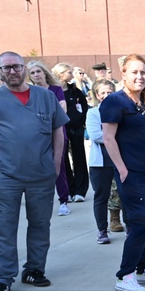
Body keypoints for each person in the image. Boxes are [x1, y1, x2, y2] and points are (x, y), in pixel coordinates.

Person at [0, 51, 68, 291]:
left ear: (24, 68)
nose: (12, 72)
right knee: (3, 228)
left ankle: (34, 269)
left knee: (40, 224)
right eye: (6, 68)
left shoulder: (46, 97)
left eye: (17, 67)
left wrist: (56, 164)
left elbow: (58, 131)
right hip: (6, 176)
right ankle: (3, 278)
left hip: (41, 174)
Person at [100, 54, 145, 291]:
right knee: (140, 224)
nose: (140, 77)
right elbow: (108, 138)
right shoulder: (114, 101)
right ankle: (125, 275)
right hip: (133, 174)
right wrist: (121, 169)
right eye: (134, 72)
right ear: (124, 74)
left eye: (143, 72)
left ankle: (144, 268)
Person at [28, 60, 72, 215]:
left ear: (44, 73)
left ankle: (63, 201)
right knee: (39, 167)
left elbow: (62, 110)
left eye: (38, 71)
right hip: (38, 135)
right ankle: (42, 200)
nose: (36, 75)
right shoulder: (30, 92)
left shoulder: (56, 89)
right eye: (32, 73)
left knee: (58, 166)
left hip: (57, 133)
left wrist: (43, 115)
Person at [86, 79, 118, 244]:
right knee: (101, 196)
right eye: (102, 93)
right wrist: (115, 137)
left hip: (120, 159)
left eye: (109, 92)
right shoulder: (93, 113)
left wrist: (109, 135)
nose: (106, 96)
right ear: (97, 95)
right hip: (100, 162)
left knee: (126, 194)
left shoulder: (121, 111)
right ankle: (102, 230)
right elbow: (96, 135)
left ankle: (130, 226)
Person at [54, 63, 90, 204]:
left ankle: (80, 191)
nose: (71, 75)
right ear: (60, 74)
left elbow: (84, 107)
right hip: (61, 130)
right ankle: (69, 189)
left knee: (79, 159)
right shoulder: (55, 92)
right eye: (69, 72)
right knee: (63, 162)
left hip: (76, 129)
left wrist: (82, 123)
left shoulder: (75, 91)